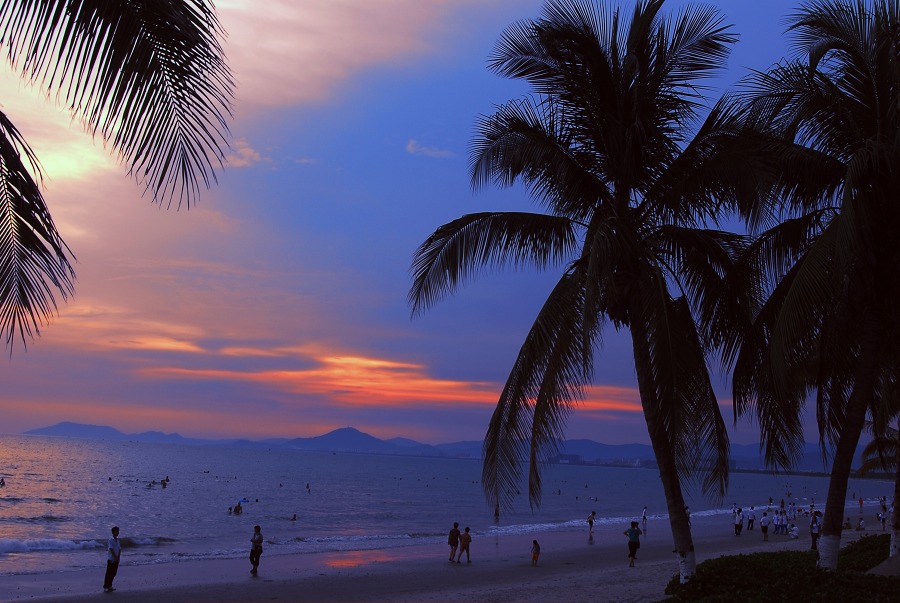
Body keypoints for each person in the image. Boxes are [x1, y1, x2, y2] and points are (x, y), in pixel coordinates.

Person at [102, 526, 121, 592]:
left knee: (114, 573)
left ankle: (110, 586)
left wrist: (118, 557)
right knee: (109, 573)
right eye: (116, 531)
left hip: (116, 559)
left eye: (118, 531)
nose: (118, 532)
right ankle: (106, 586)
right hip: (111, 559)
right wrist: (115, 557)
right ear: (113, 532)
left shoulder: (118, 540)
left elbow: (119, 549)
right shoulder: (111, 540)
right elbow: (111, 549)